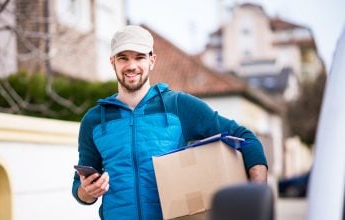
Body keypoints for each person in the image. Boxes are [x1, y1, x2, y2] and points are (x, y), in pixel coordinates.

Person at [72, 25, 268, 219]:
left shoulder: (178, 106)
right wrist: (87, 192)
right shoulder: (94, 120)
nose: (131, 65)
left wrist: (256, 198)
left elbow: (246, 139)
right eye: (123, 58)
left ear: (152, 60)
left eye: (139, 57)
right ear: (112, 62)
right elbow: (80, 189)